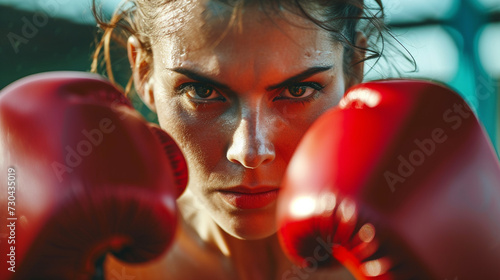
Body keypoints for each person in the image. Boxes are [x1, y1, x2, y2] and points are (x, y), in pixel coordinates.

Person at [91, 0, 389, 279]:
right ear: (144, 72)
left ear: (353, 69)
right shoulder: (102, 258)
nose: (249, 152)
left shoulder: (409, 246)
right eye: (201, 92)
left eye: (299, 91)